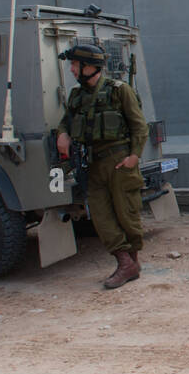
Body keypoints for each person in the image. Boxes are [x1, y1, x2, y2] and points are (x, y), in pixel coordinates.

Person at [56, 44, 149, 289]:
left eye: (75, 65)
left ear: (89, 67)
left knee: (126, 214)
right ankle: (125, 263)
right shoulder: (77, 96)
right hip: (92, 163)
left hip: (119, 161)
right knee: (101, 216)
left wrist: (134, 157)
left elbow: (140, 126)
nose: (72, 70)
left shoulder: (120, 91)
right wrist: (62, 134)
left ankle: (131, 263)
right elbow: (66, 122)